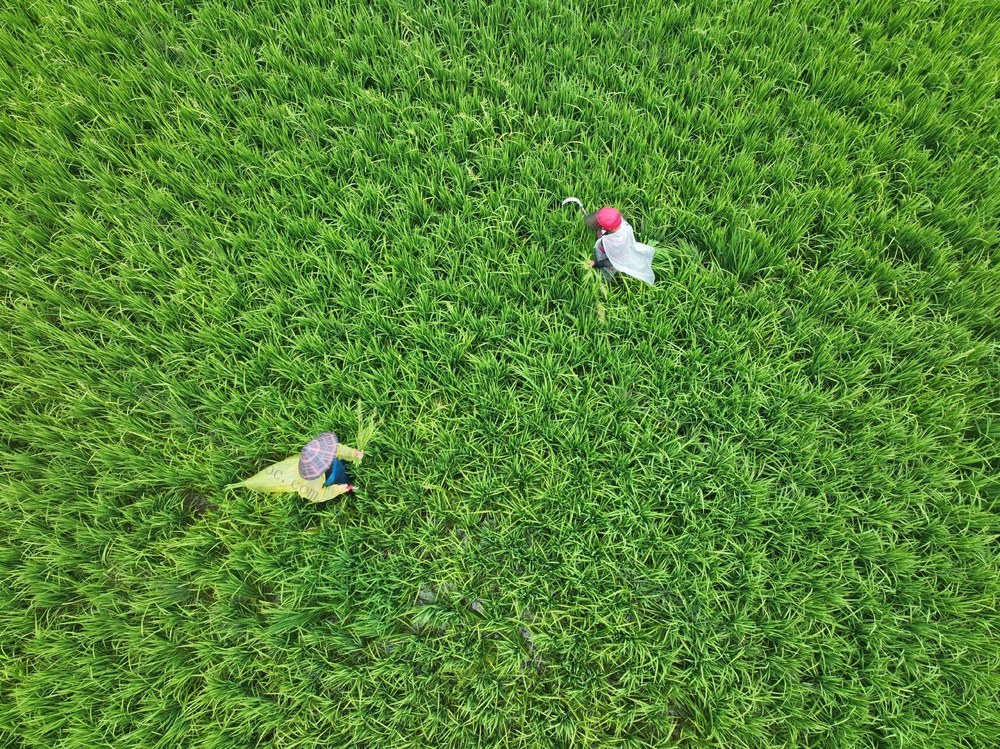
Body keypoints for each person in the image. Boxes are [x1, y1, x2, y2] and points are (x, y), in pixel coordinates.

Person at [228, 432, 364, 503]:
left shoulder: (324, 450)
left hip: (337, 466)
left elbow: (338, 450)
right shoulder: (310, 482)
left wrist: (352, 453)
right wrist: (336, 489)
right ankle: (353, 488)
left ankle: (349, 473)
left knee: (343, 467)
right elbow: (318, 496)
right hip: (332, 479)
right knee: (344, 481)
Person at [584, 206, 655, 285]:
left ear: (607, 229)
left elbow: (612, 262)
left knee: (606, 273)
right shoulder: (618, 221)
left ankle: (602, 284)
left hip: (610, 261)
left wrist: (595, 263)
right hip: (610, 249)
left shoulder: (615, 243)